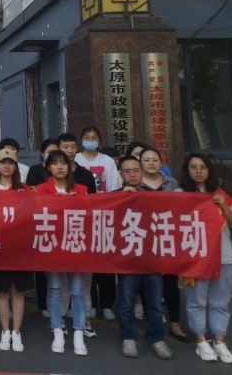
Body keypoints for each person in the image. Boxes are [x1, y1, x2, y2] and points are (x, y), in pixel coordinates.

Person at [180, 153, 232, 364]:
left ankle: (220, 342)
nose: (198, 171)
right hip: (194, 258)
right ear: (187, 170)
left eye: (203, 167)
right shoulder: (179, 194)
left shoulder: (219, 193)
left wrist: (224, 206)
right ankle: (201, 341)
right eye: (193, 167)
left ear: (209, 170)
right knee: (196, 301)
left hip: (223, 256)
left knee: (220, 302)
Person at [114, 155, 172, 359]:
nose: (132, 174)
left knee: (154, 304)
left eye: (135, 170)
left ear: (141, 172)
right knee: (126, 303)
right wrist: (121, 197)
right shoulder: (114, 197)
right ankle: (128, 338)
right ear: (121, 175)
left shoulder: (156, 196)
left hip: (151, 260)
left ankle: (157, 339)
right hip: (127, 261)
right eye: (127, 171)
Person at [0, 148, 34, 352]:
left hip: (20, 248)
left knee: (18, 291)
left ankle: (16, 331)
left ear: (15, 166)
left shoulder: (25, 190)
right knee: (2, 291)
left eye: (10, 162)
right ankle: (5, 330)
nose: (6, 166)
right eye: (3, 162)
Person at [37, 150, 88, 356]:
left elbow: (92, 217)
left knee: (77, 291)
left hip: (75, 246)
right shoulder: (39, 190)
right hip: (52, 247)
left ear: (69, 166)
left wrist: (77, 203)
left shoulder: (82, 190)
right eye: (55, 163)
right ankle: (57, 329)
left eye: (63, 163)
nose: (59, 167)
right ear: (48, 167)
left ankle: (78, 332)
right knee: (55, 289)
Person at [138, 147, 188, 342]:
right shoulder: (134, 184)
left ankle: (175, 323)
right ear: (140, 163)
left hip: (168, 240)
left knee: (170, 284)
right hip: (144, 241)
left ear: (161, 162)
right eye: (146, 160)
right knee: (148, 283)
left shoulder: (173, 184)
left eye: (155, 159)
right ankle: (154, 322)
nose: (151, 163)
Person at [74, 127, 119, 322]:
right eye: (87, 137)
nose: (90, 140)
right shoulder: (76, 159)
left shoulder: (107, 161)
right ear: (81, 139)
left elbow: (114, 187)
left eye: (94, 138)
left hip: (104, 214)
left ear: (99, 140)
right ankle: (90, 303)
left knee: (104, 261)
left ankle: (107, 304)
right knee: (86, 261)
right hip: (82, 217)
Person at [56, 133, 98, 338]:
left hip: (80, 234)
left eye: (73, 147)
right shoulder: (49, 176)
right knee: (60, 285)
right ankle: (59, 320)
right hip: (56, 235)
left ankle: (84, 319)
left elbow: (95, 204)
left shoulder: (85, 176)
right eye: (66, 147)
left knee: (82, 284)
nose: (70, 151)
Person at [25, 138, 59, 319]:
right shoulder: (35, 170)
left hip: (60, 224)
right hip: (42, 221)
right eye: (49, 152)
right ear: (42, 153)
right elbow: (31, 197)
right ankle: (43, 303)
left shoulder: (65, 173)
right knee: (41, 266)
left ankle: (61, 305)